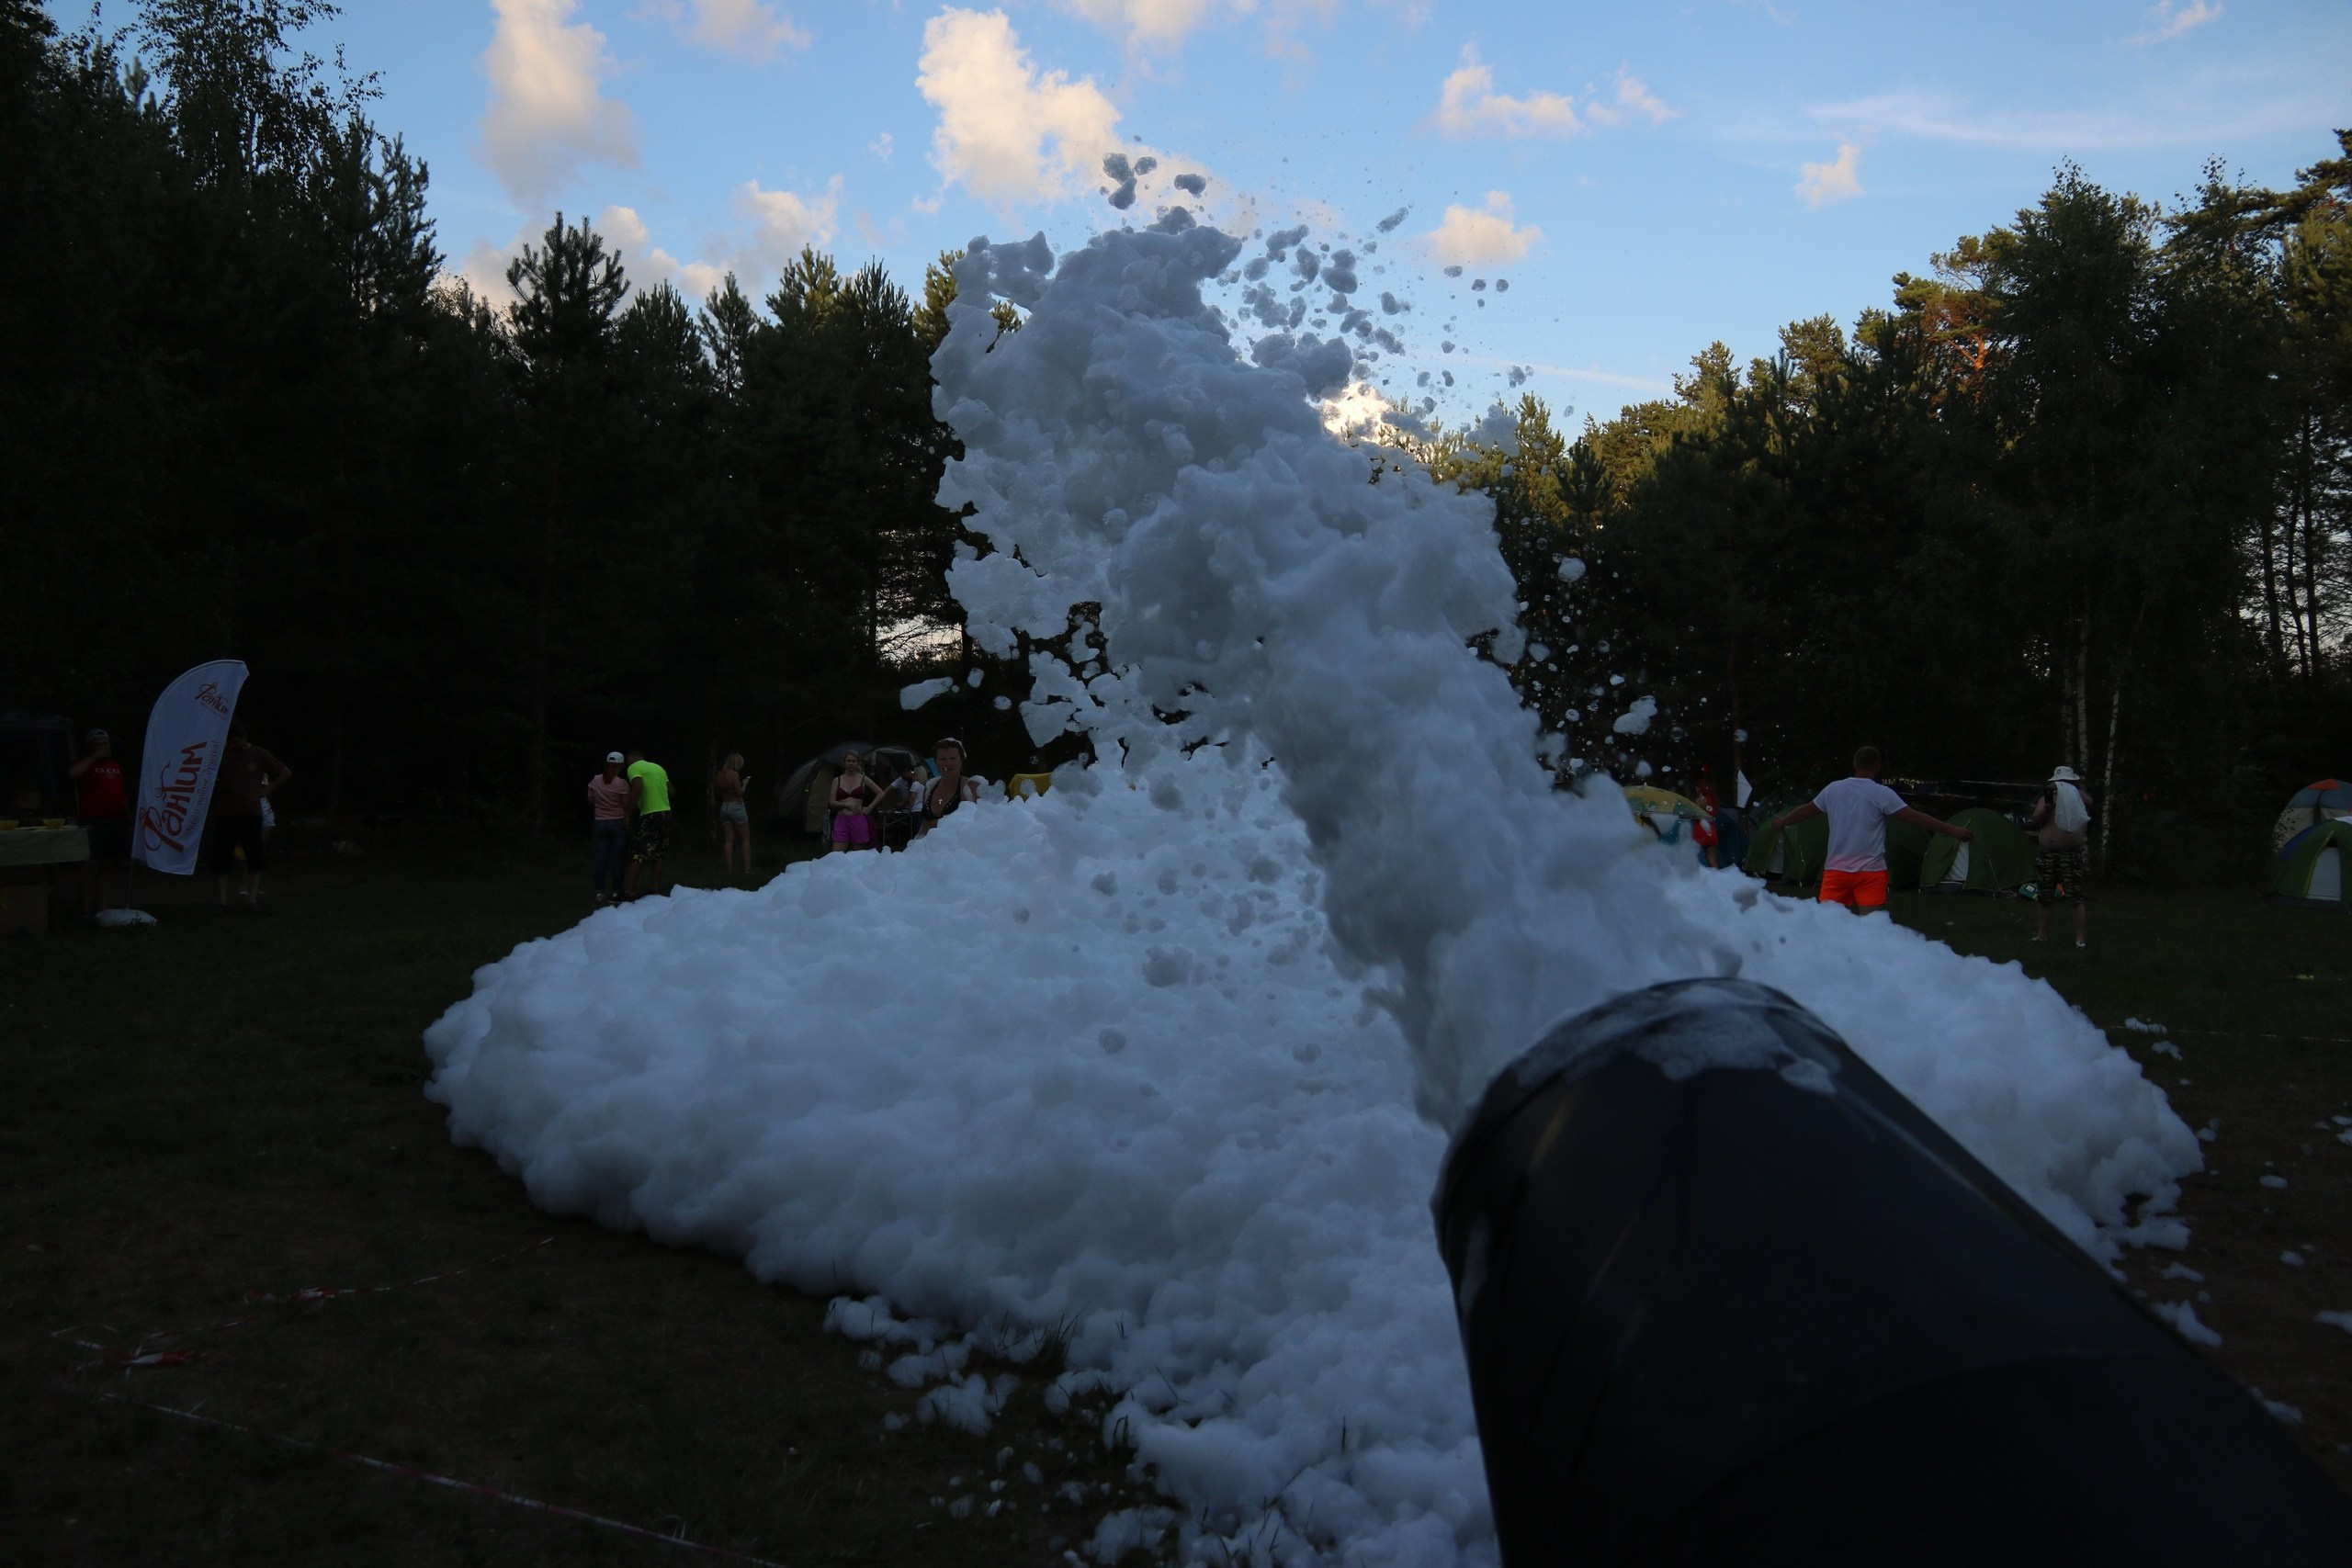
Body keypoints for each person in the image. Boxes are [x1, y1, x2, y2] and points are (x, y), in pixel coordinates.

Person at [1770, 747, 1970, 915]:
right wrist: (1953, 830)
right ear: (1877, 766)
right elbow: (1915, 817)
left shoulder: (1834, 789)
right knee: (1872, 931)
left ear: (1855, 764)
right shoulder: (1881, 793)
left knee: (1831, 929)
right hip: (1870, 873)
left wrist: (1784, 821)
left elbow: (1806, 810)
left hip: (1836, 871)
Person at [209, 722, 291, 911]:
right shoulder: (221, 754)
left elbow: (285, 773)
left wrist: (267, 789)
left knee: (255, 855)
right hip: (225, 813)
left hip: (251, 813)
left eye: (235, 742)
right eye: (230, 742)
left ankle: (251, 900)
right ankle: (222, 901)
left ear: (243, 738)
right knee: (222, 857)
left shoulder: (259, 754)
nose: (232, 745)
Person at [2030, 765, 2096, 949]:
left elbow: (2089, 801)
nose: (2061, 786)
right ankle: (2042, 935)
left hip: (2070, 853)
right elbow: (2036, 820)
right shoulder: (2046, 799)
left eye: (2065, 782)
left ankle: (2080, 938)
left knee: (2075, 896)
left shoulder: (2078, 798)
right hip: (2048, 854)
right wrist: (2047, 808)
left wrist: (2070, 789)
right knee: (2044, 896)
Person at [67, 728, 130, 916]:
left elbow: (122, 793)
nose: (104, 747)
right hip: (93, 819)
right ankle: (85, 907)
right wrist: (94, 756)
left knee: (109, 864)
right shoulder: (84, 763)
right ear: (91, 746)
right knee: (90, 863)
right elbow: (72, 774)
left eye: (106, 743)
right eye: (99, 744)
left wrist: (129, 817)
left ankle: (104, 906)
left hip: (115, 819)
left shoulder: (115, 765)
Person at [623, 747, 672, 899]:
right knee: (659, 852)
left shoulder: (633, 768)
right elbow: (672, 791)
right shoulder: (659, 768)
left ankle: (629, 892)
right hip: (666, 813)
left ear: (630, 759)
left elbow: (637, 787)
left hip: (650, 815)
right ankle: (654, 888)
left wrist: (628, 815)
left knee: (638, 853)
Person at [914, 737, 981, 839]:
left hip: (955, 851)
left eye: (952, 759)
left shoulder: (971, 786)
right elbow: (924, 825)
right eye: (943, 759)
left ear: (961, 762)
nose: (947, 764)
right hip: (926, 849)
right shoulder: (930, 787)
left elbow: (984, 824)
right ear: (936, 762)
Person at [587, 750, 629, 904]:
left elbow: (590, 799)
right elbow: (626, 804)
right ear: (621, 766)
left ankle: (599, 892)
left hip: (599, 822)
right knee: (617, 860)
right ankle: (615, 892)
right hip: (617, 822)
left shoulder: (596, 780)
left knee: (601, 859)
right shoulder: (622, 783)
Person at [828, 751, 882, 852]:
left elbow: (880, 793)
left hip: (857, 819)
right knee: (837, 854)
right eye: (848, 761)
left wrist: (869, 808)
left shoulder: (863, 779)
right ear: (844, 763)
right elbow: (832, 803)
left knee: (858, 854)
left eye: (854, 761)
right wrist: (846, 804)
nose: (851, 763)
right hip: (841, 820)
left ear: (858, 763)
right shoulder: (837, 780)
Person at [714, 751, 752, 878]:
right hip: (736, 807)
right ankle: (747, 870)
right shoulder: (734, 774)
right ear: (736, 763)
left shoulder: (719, 774)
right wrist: (745, 783)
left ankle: (729, 870)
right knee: (745, 839)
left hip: (724, 808)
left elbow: (719, 792)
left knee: (729, 839)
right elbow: (740, 793)